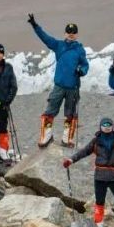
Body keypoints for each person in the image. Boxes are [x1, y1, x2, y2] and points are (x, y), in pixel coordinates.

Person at [28, 14, 89, 148]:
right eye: (69, 32)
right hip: (59, 86)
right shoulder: (58, 45)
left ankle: (67, 139)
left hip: (73, 87)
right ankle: (47, 137)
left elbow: (85, 65)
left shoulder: (80, 50)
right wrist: (35, 26)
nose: (71, 34)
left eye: (73, 32)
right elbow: (45, 38)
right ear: (65, 33)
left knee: (70, 113)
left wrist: (82, 71)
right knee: (50, 111)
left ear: (77, 34)